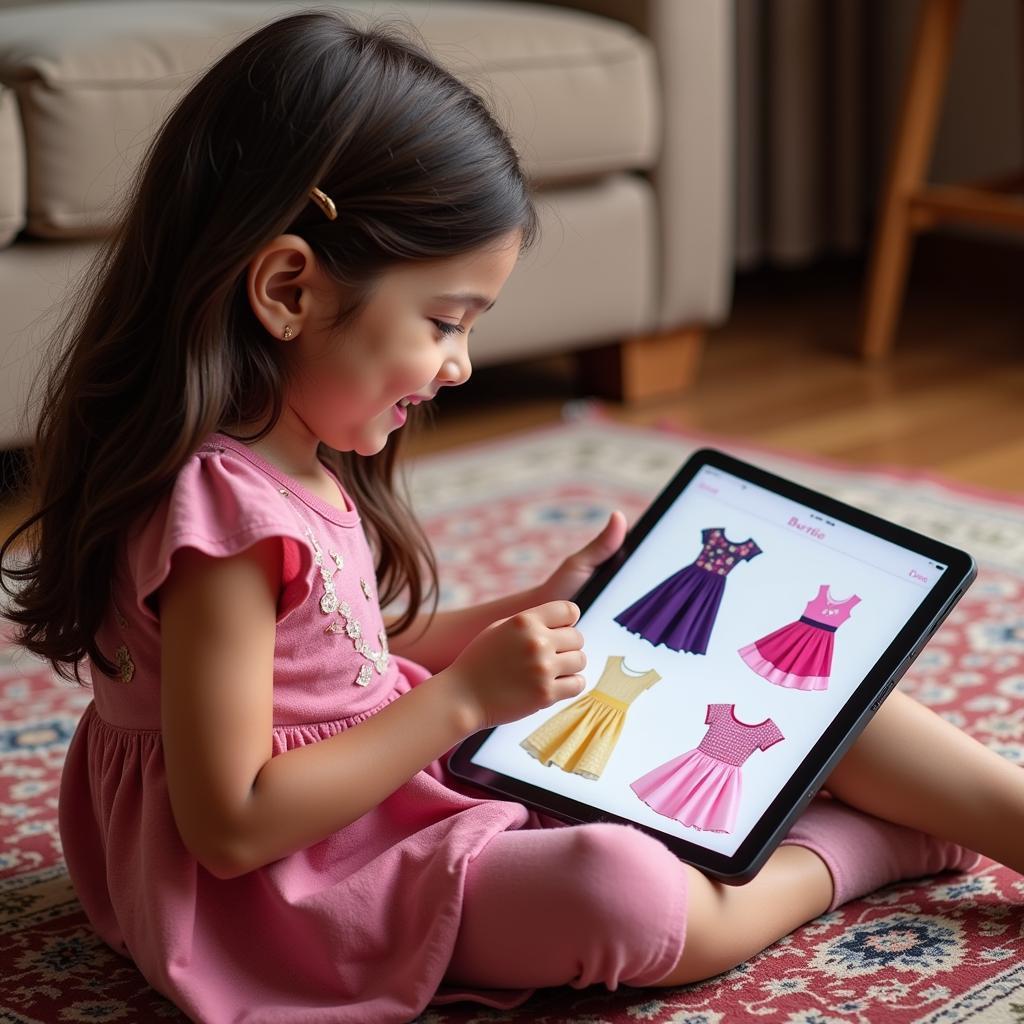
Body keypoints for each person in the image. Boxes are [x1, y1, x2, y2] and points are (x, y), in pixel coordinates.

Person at [1, 10, 1021, 1023]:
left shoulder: (282, 456)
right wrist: (460, 701)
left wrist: (529, 607)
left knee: (782, 685)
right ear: (286, 288)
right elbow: (230, 825)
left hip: (372, 777)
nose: (461, 364)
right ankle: (866, 848)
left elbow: (332, 662)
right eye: (444, 322)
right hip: (289, 887)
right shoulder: (217, 513)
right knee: (617, 887)